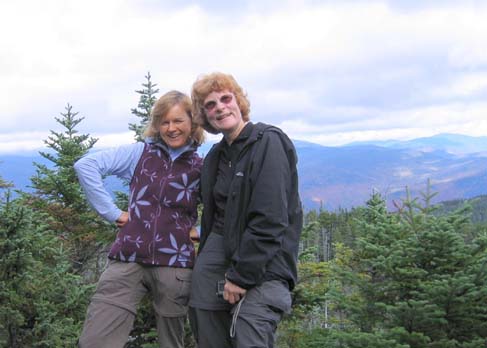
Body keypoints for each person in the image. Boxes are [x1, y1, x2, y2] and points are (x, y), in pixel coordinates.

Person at [74, 90, 204, 348]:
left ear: (192, 123)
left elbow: (224, 207)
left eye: (178, 121)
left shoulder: (203, 165)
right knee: (95, 341)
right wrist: (112, 212)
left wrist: (201, 230)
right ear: (156, 125)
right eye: (164, 122)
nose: (171, 128)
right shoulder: (139, 154)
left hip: (174, 265)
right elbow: (85, 166)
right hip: (128, 258)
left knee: (171, 343)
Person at [188, 72, 303, 348]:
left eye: (225, 99)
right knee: (203, 315)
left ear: (238, 101)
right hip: (220, 250)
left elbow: (270, 219)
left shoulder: (268, 142)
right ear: (205, 116)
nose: (220, 108)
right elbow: (210, 209)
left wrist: (240, 277)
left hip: (267, 261)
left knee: (248, 327)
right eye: (210, 105)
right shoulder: (216, 156)